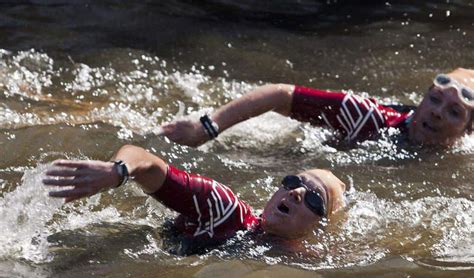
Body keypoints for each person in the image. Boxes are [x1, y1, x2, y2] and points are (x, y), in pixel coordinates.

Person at [43, 145, 346, 254]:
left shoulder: (306, 260)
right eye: (292, 182)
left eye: (314, 200)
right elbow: (147, 162)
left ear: (319, 227)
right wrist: (117, 171)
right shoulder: (225, 210)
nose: (296, 192)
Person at [160, 68, 474, 147]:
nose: (436, 112)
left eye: (454, 112)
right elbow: (279, 94)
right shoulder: (368, 117)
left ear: (467, 131)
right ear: (422, 100)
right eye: (433, 99)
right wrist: (207, 126)